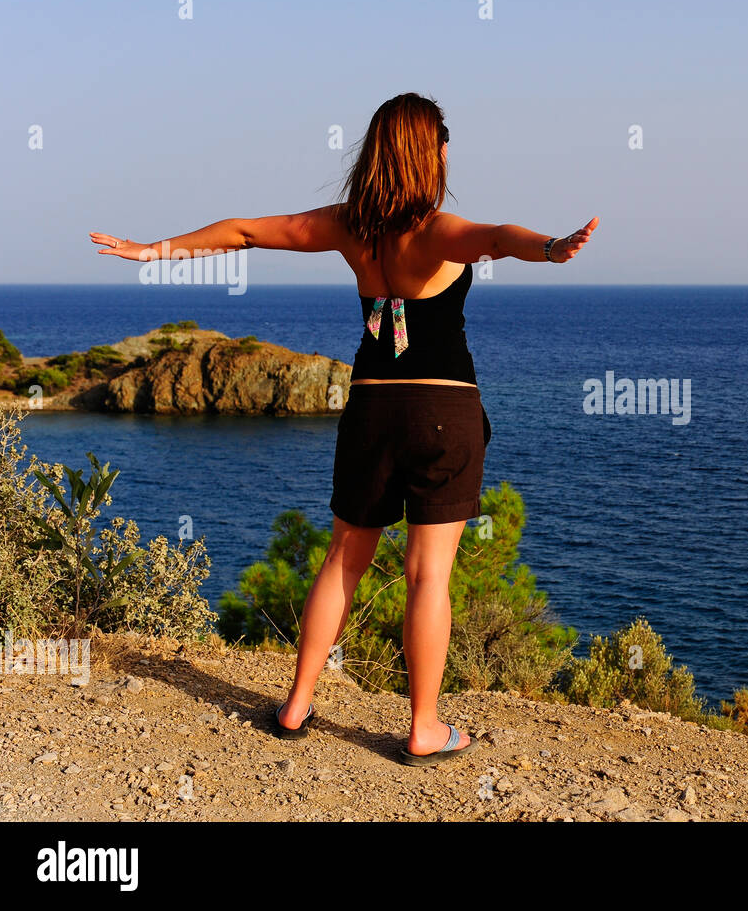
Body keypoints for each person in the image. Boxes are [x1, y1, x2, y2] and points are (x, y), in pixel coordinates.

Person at [91, 91, 599, 764]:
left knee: (342, 558)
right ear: (434, 152)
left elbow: (243, 231)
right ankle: (423, 726)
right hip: (441, 411)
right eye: (445, 145)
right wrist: (554, 246)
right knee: (428, 576)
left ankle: (298, 703)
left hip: (369, 407)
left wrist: (154, 251)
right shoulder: (438, 230)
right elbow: (501, 238)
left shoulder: (348, 227)